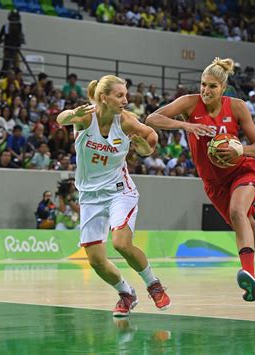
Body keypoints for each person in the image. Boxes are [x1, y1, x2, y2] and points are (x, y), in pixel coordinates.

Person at [146, 57, 255, 303]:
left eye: (212, 86)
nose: (206, 90)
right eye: (203, 84)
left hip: (243, 171)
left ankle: (248, 275)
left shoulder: (237, 107)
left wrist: (240, 150)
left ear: (223, 89)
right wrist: (187, 126)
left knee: (238, 211)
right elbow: (152, 119)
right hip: (215, 183)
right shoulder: (189, 103)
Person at [56, 74, 171, 317]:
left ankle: (153, 284)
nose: (125, 100)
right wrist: (73, 115)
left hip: (120, 192)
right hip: (89, 196)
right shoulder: (86, 117)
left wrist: (144, 150)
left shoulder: (127, 122)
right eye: (120, 95)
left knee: (121, 243)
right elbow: (60, 119)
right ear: (103, 98)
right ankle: (126, 293)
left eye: (125, 95)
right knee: (96, 260)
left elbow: (152, 138)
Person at [0, 9, 25, 76]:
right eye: (13, 17)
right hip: (8, 49)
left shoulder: (19, 26)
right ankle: (3, 77)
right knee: (6, 65)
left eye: (16, 17)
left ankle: (16, 78)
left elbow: (21, 35)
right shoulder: (6, 26)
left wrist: (22, 40)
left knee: (16, 65)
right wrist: (0, 40)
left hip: (16, 49)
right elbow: (0, 35)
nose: (14, 19)